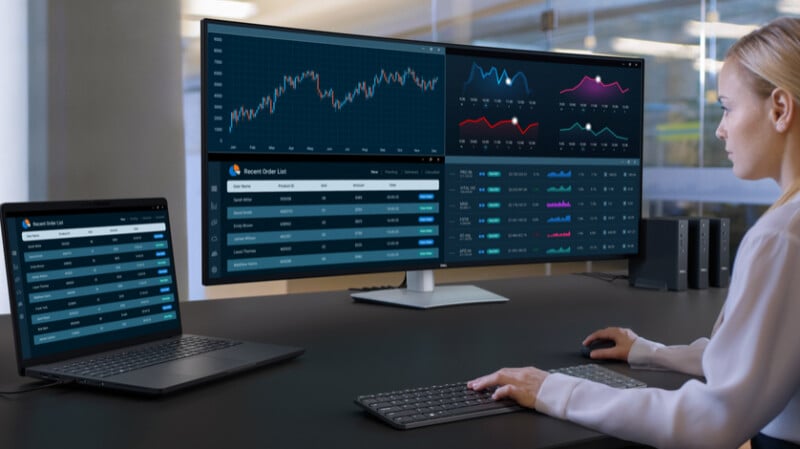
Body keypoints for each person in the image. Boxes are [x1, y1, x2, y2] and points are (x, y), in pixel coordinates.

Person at [468, 17, 800, 449]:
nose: (720, 129)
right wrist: (651, 352)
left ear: (779, 108)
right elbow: (761, 354)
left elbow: (712, 421)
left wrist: (552, 390)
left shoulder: (781, 237)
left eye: (726, 107)